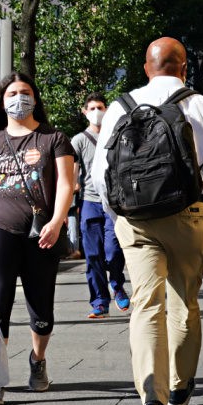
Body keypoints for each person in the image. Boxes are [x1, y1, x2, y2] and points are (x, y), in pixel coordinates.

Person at [91, 37, 203, 405]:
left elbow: (100, 174)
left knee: (146, 305)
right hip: (189, 217)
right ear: (183, 69)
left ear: (147, 67)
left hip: (137, 221)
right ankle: (179, 389)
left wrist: (120, 219)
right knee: (184, 303)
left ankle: (151, 403)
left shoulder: (120, 107)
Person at [0, 71, 75, 405]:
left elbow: (67, 184)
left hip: (41, 231)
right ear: (2, 100)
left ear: (35, 97)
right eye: (12, 93)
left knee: (41, 310)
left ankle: (38, 360)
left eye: (24, 92)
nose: (18, 98)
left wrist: (57, 221)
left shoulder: (53, 138)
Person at [71, 92, 130, 318]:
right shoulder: (78, 140)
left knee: (114, 251)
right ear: (85, 112)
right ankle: (99, 301)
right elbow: (73, 174)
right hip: (89, 202)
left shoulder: (116, 135)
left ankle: (117, 284)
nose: (97, 112)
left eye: (101, 107)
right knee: (93, 255)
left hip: (114, 203)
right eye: (92, 108)